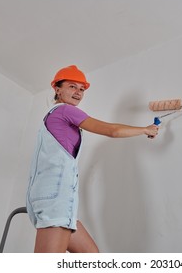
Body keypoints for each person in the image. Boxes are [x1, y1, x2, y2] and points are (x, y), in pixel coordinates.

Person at [26, 65, 159, 253]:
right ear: (57, 88)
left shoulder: (55, 116)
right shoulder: (65, 110)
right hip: (56, 202)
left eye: (82, 89)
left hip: (53, 199)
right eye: (72, 86)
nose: (78, 92)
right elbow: (112, 131)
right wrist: (145, 129)